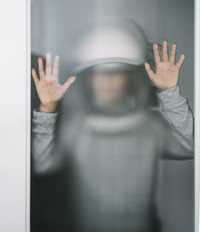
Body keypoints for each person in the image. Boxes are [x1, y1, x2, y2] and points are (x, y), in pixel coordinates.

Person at [31, 20, 194, 232]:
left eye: (116, 73)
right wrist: (47, 108)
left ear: (129, 77)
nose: (106, 81)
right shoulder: (76, 128)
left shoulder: (149, 127)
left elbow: (190, 145)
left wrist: (169, 91)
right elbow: (43, 164)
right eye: (98, 73)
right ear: (87, 78)